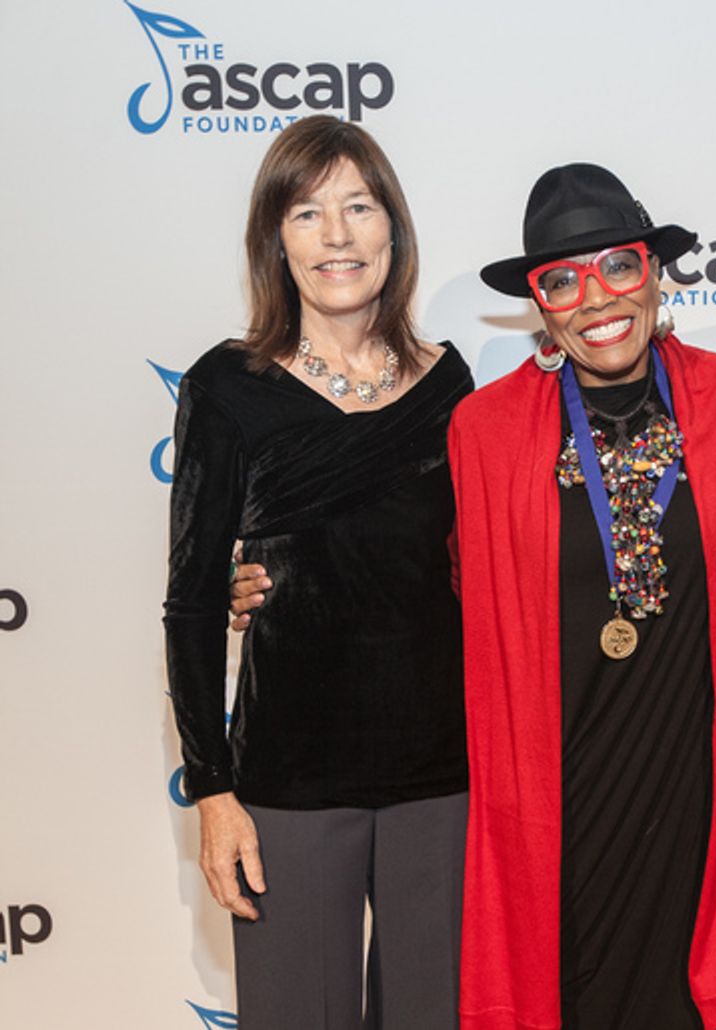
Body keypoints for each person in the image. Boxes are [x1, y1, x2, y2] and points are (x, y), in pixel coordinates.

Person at [230, 164, 716, 1028]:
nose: (596, 297)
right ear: (541, 304)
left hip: (691, 797)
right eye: (562, 279)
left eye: (619, 266)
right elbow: (402, 559)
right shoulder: (486, 427)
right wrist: (258, 575)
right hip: (551, 803)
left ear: (655, 275)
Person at [163, 116, 471, 1029]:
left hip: (444, 783)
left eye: (358, 206)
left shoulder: (454, 388)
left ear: (394, 230)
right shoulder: (225, 387)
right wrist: (212, 791)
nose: (336, 235)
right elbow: (187, 604)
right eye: (306, 213)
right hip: (285, 787)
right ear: (275, 240)